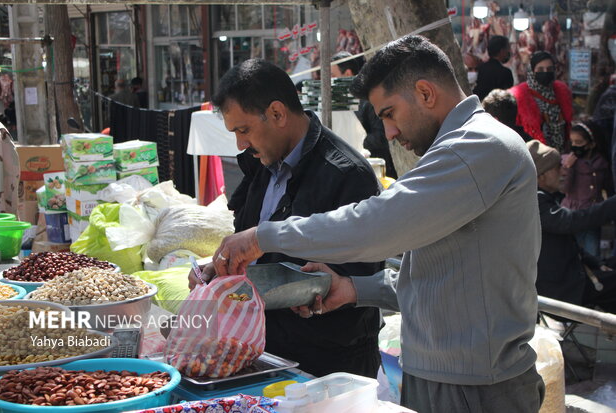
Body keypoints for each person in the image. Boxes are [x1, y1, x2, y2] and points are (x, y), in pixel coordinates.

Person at [212, 35, 545, 413]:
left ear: (425, 92)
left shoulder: (478, 146)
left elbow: (378, 225)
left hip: (477, 387)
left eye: (388, 114)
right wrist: (353, 288)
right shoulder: (457, 148)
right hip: (445, 376)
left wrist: (264, 237)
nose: (388, 133)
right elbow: (436, 272)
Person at [188, 58, 384, 378]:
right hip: (266, 350)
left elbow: (359, 281)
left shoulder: (347, 175)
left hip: (328, 367)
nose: (240, 144)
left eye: (244, 130)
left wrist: (307, 288)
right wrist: (219, 273)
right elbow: (253, 248)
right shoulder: (263, 162)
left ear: (278, 114)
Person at [527, 139, 616, 313]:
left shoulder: (542, 199)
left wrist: (597, 263)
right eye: (556, 168)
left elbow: (568, 243)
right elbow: (573, 222)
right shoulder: (535, 202)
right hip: (563, 290)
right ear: (540, 177)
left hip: (573, 276)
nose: (563, 171)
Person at [331, 51, 399, 178]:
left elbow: (381, 137)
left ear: (347, 74)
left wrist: (354, 143)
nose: (329, 82)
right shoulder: (337, 106)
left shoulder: (368, 100)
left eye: (332, 76)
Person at [561, 122, 613, 256]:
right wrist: (568, 168)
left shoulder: (601, 163)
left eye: (579, 142)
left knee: (592, 251)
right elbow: (564, 188)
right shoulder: (568, 161)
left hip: (594, 214)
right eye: (572, 142)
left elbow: (608, 187)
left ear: (591, 144)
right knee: (574, 252)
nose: (574, 146)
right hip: (573, 214)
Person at [509, 51, 572, 153]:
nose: (546, 72)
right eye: (540, 69)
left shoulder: (561, 94)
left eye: (549, 69)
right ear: (532, 71)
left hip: (561, 155)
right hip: (535, 156)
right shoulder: (519, 97)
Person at [473, 35, 514, 101]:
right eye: (507, 49)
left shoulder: (480, 68)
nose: (508, 52)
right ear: (502, 51)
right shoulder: (506, 72)